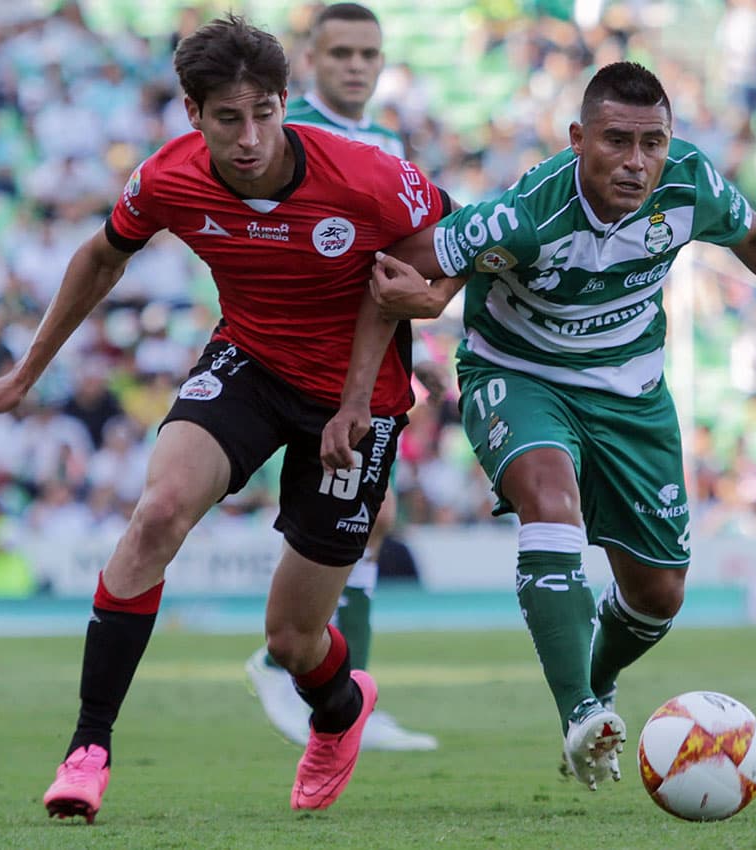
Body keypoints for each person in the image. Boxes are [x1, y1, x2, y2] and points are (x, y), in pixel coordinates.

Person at [0, 14, 450, 820]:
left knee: (292, 642)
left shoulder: (367, 175)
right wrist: (26, 374)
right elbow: (101, 256)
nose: (249, 139)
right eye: (227, 119)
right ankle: (88, 750)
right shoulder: (168, 177)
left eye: (264, 115)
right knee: (158, 512)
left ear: (285, 102)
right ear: (192, 113)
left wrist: (427, 307)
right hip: (249, 363)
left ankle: (341, 709)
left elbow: (451, 242)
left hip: (359, 403)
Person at [327, 61, 756, 791]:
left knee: (659, 595)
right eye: (616, 141)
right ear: (577, 140)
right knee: (549, 499)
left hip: (632, 392)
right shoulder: (525, 214)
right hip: (519, 376)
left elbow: (755, 236)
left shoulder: (689, 184)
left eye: (652, 143)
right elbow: (392, 272)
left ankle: (594, 686)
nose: (636, 162)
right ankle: (580, 715)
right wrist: (370, 381)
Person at [243, 0, 439, 754]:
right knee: (344, 519)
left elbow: (403, 256)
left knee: (373, 520)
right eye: (340, 53)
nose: (356, 66)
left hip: (373, 362)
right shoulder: (286, 139)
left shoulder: (385, 141)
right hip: (300, 363)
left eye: (368, 54)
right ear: (310, 62)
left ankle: (338, 683)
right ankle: (293, 667)